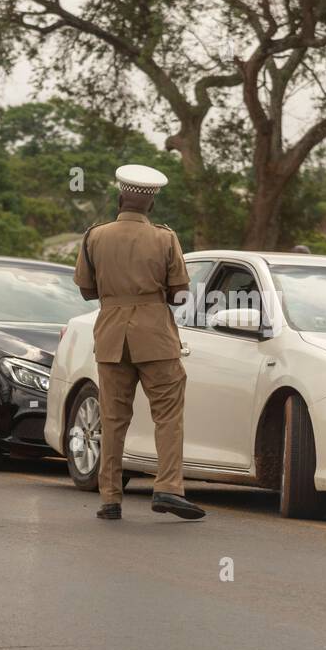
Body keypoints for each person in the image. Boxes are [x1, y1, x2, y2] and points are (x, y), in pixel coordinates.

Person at [73, 165, 205, 521]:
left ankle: (110, 499)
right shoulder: (165, 238)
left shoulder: (94, 236)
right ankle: (168, 489)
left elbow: (87, 290)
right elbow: (179, 293)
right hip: (155, 337)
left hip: (111, 335)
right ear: (151, 205)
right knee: (168, 416)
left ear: (120, 197)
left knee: (113, 419)